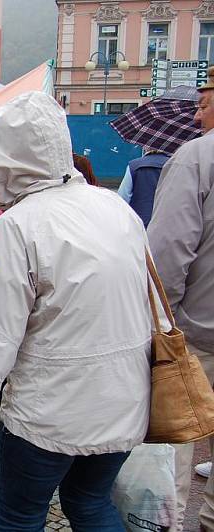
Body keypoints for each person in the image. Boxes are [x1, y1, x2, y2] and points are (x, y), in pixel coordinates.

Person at [0, 91, 152, 531]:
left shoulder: (18, 225)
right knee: (91, 503)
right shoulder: (113, 206)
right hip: (123, 402)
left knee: (20, 517)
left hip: (48, 415)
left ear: (3, 160)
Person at [146, 66, 214, 530]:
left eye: (205, 104)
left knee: (174, 442)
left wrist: (163, 324)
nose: (197, 117)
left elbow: (166, 253)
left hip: (197, 335)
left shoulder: (196, 157)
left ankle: (165, 524)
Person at [117, 149, 170, 227]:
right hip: (166, 222)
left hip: (139, 223)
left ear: (145, 147)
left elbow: (122, 198)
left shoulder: (134, 166)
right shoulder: (174, 165)